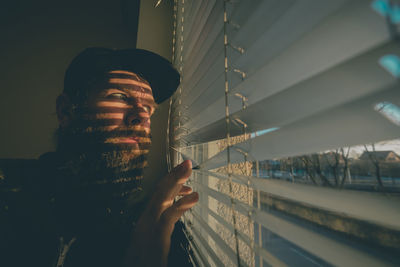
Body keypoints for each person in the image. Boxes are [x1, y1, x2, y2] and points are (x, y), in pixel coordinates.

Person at [0, 47, 199, 267]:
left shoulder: (157, 231)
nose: (142, 116)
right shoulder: (10, 196)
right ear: (66, 111)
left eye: (148, 108)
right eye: (119, 96)